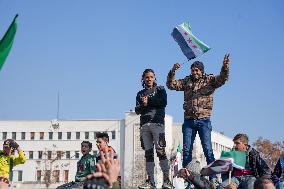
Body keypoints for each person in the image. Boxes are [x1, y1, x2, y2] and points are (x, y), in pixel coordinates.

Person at [166, 54, 230, 170]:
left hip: (204, 120)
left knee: (208, 149)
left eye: (197, 70)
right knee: (186, 150)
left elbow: (222, 79)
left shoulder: (209, 80)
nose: (194, 72)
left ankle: (213, 178)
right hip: (189, 121)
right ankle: (188, 179)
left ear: (202, 71)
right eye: (192, 70)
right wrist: (173, 71)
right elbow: (170, 85)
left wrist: (225, 67)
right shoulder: (187, 81)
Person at [135, 68, 172, 189]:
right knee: (148, 154)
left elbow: (163, 102)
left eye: (151, 77)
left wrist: (149, 101)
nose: (149, 79)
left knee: (161, 151)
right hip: (144, 125)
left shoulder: (160, 89)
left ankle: (166, 180)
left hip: (157, 124)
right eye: (147, 77)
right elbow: (137, 110)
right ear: (143, 79)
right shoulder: (140, 93)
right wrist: (143, 104)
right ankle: (150, 181)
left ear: (154, 78)